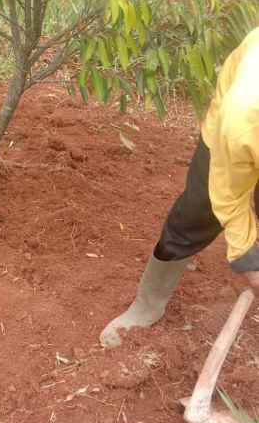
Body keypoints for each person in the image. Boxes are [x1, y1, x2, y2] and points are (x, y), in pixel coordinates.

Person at [101, 26, 259, 348]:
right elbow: (227, 195)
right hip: (229, 142)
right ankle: (147, 305)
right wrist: (248, 259)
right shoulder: (245, 112)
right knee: (196, 216)